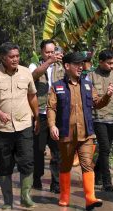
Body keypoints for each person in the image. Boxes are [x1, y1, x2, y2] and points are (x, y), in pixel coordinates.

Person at [47, 52, 113, 211]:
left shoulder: (87, 85)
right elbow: (51, 108)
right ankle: (64, 196)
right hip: (66, 134)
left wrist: (107, 96)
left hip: (86, 134)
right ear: (67, 66)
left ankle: (90, 198)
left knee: (87, 165)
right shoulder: (57, 86)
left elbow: (97, 103)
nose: (81, 67)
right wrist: (52, 125)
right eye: (77, 64)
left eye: (82, 64)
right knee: (65, 165)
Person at [0, 42, 40, 209]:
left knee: (27, 161)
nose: (15, 59)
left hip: (24, 125)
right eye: (11, 57)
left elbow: (32, 96)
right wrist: (0, 113)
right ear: (3, 58)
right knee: (5, 165)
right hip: (2, 128)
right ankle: (8, 201)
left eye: (17, 56)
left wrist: (36, 117)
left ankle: (25, 196)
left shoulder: (25, 73)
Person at [86, 49, 113, 192]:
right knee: (105, 149)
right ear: (101, 62)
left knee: (106, 149)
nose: (112, 66)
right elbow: (90, 98)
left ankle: (97, 173)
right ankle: (107, 182)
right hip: (98, 118)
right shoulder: (90, 76)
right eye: (109, 63)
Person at [29, 39, 64, 193]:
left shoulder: (62, 66)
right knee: (38, 149)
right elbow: (33, 76)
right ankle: (37, 178)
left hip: (58, 115)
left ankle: (55, 183)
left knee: (57, 151)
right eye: (47, 52)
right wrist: (49, 62)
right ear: (41, 52)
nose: (51, 54)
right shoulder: (34, 65)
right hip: (41, 114)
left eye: (52, 52)